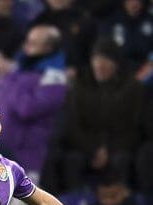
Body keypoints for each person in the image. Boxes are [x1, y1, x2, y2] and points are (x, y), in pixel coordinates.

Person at [57, 39, 146, 191]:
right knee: (72, 159)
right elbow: (73, 125)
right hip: (86, 146)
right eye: (96, 60)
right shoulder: (80, 86)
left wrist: (109, 150)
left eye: (106, 61)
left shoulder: (133, 88)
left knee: (122, 160)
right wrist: (93, 150)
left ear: (117, 63)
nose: (100, 66)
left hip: (121, 147)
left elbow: (136, 127)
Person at [0, 25, 68, 181]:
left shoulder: (53, 77)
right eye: (27, 41)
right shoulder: (17, 72)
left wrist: (10, 78)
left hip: (28, 158)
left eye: (32, 43)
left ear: (48, 47)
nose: (26, 46)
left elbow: (27, 109)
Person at [30, 0, 96, 71]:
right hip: (37, 73)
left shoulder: (86, 21)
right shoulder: (38, 22)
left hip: (75, 74)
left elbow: (91, 55)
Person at [97, 0, 153, 75]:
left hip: (146, 71)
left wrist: (150, 65)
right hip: (116, 71)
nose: (134, 3)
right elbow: (103, 49)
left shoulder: (150, 20)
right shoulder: (111, 21)